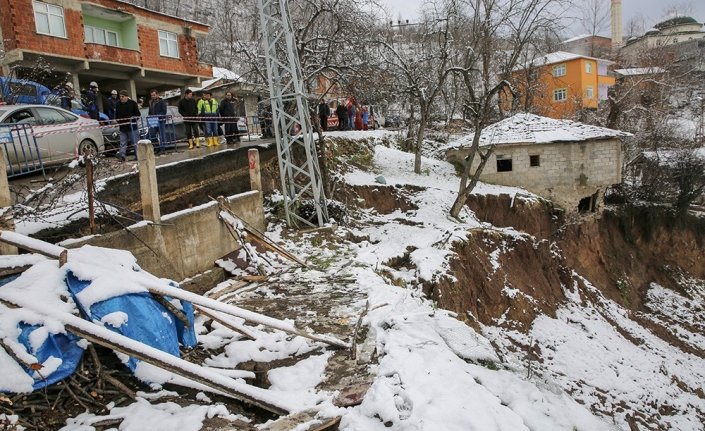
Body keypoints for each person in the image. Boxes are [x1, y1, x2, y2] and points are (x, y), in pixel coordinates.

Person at [115, 90, 140, 162]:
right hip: (123, 127)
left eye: (122, 96)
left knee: (135, 142)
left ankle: (138, 155)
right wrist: (119, 121)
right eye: (120, 97)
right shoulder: (118, 104)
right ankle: (122, 156)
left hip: (132, 127)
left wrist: (133, 120)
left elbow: (138, 114)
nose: (121, 98)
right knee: (123, 143)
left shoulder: (133, 103)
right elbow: (116, 115)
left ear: (126, 96)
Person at [147, 89, 167, 153]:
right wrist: (150, 116)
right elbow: (150, 111)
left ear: (157, 95)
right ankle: (157, 147)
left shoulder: (162, 101)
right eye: (152, 95)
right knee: (151, 134)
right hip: (153, 121)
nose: (153, 96)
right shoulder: (151, 102)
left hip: (160, 120)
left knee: (161, 135)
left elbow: (164, 111)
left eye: (154, 95)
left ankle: (162, 149)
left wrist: (157, 116)